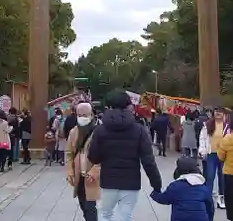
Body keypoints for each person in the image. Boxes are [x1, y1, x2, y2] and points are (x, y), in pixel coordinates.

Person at [88, 90, 162, 221]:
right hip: (131, 182)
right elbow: (148, 161)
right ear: (128, 106)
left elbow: (93, 157)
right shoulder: (139, 130)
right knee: (124, 216)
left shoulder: (100, 130)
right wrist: (156, 183)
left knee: (105, 214)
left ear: (108, 107)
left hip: (108, 181)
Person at [66, 103, 101, 221]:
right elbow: (69, 154)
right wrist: (69, 171)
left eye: (84, 115)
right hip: (78, 175)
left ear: (91, 115)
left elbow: (104, 155)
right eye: (79, 115)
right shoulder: (73, 132)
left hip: (91, 175)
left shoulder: (99, 132)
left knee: (90, 207)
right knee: (83, 206)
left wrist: (95, 172)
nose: (82, 118)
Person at [150, 157, 215, 221]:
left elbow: (164, 199)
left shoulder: (175, 186)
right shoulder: (203, 187)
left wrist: (154, 193)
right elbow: (210, 207)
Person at [198, 106, 229, 209]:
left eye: (220, 112)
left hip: (223, 154)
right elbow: (202, 138)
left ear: (224, 114)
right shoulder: (207, 125)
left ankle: (222, 198)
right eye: (216, 111)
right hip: (211, 154)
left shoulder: (227, 126)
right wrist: (202, 150)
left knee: (222, 177)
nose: (218, 113)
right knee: (210, 177)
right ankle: (207, 198)